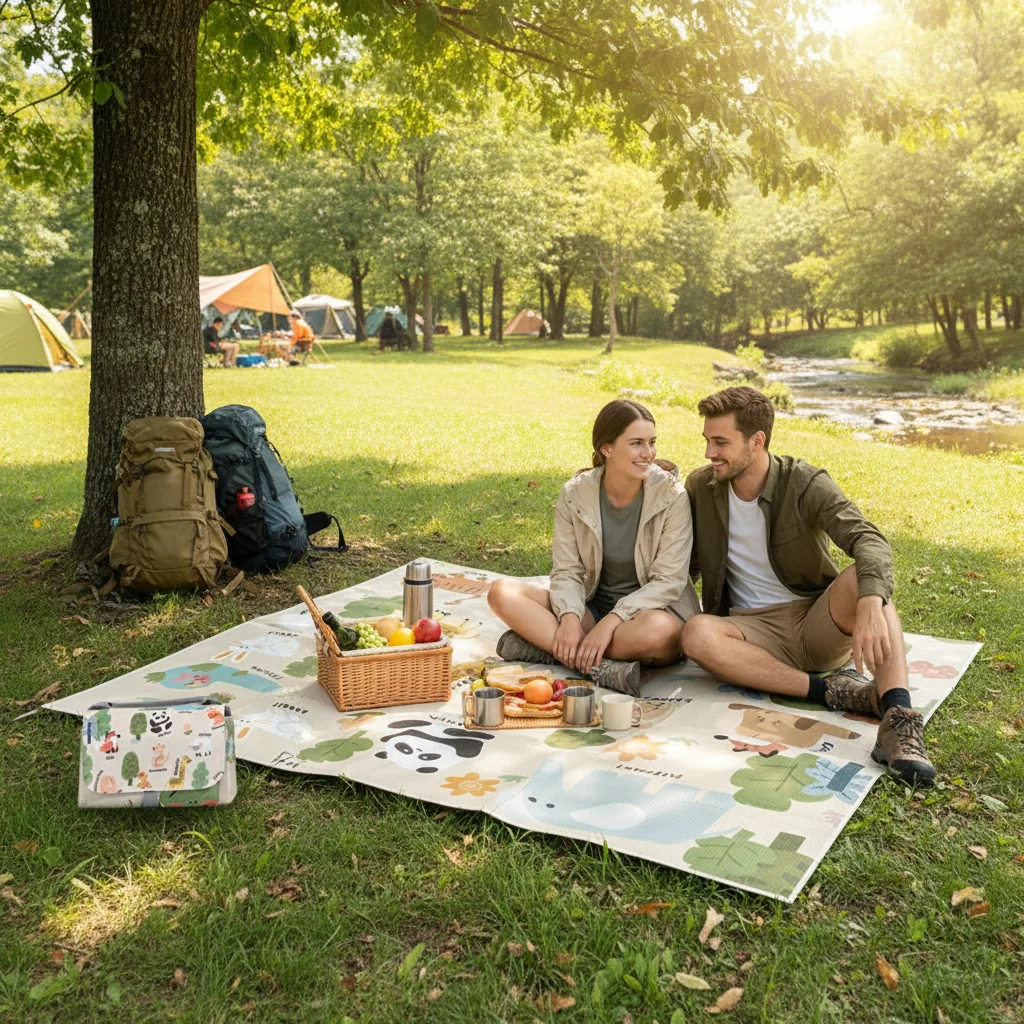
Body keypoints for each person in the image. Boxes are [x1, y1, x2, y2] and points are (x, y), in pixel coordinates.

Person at [679, 386, 935, 786]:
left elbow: (869, 540)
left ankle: (898, 720)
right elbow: (681, 556)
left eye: (721, 442)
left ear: (757, 441)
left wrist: (870, 602)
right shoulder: (701, 487)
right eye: (708, 440)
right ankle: (834, 692)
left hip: (816, 621)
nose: (710, 452)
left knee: (866, 582)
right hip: (750, 632)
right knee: (697, 634)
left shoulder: (803, 481)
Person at [487, 400, 700, 695]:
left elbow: (669, 581)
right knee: (501, 592)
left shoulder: (671, 497)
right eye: (636, 443)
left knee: (662, 632)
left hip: (645, 616)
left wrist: (613, 620)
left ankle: (553, 649)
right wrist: (570, 616)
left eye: (651, 442)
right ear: (606, 448)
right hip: (591, 608)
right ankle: (601, 666)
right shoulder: (576, 493)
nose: (648, 453)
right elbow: (567, 570)